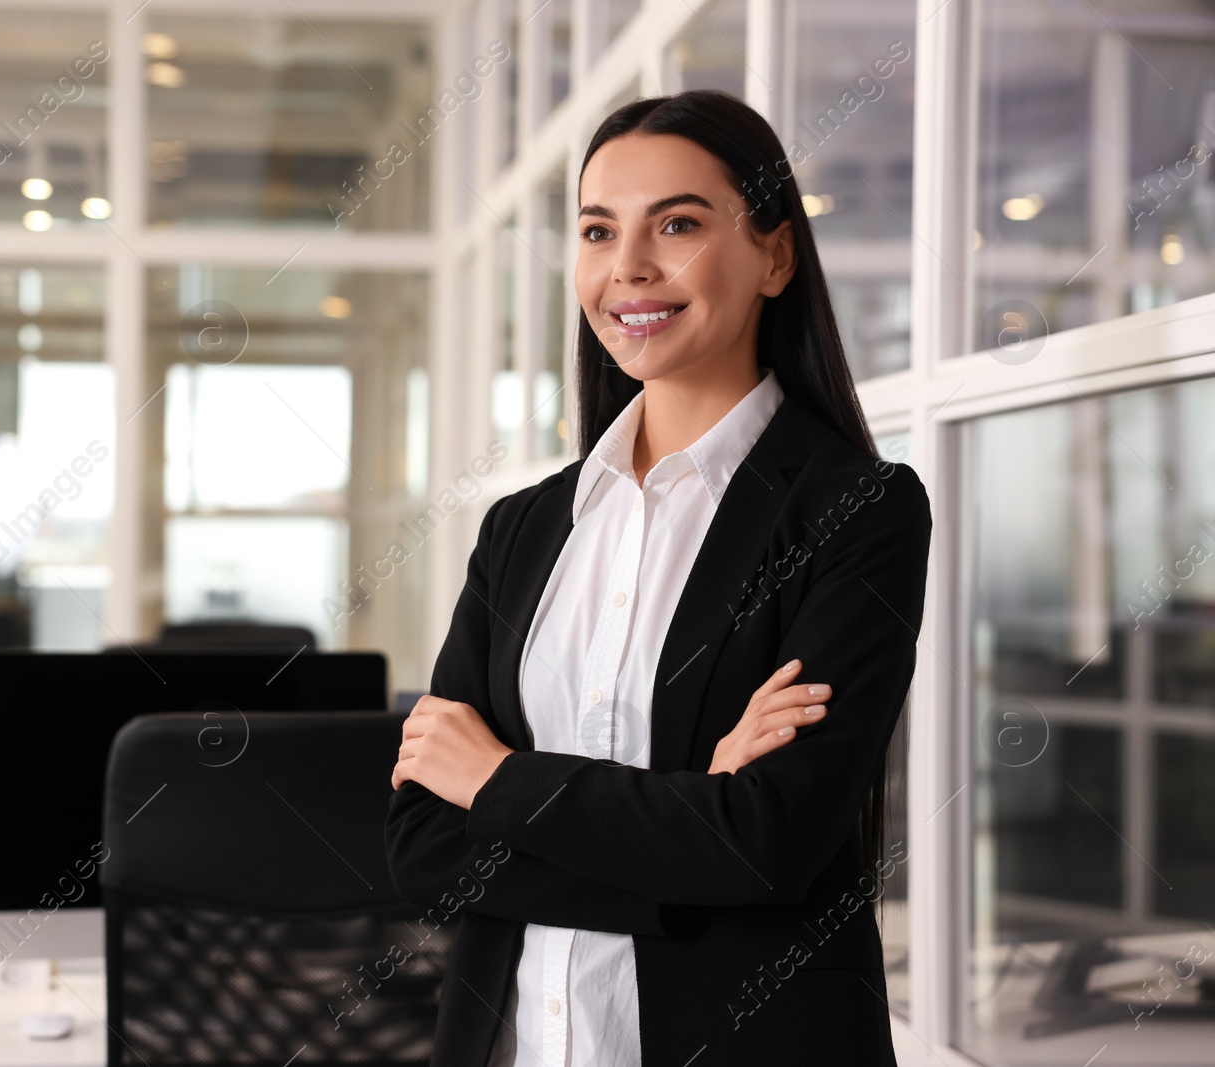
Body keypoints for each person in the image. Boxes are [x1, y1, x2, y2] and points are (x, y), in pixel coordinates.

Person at [386, 89, 931, 1066]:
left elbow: (768, 839)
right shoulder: (522, 526)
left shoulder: (859, 507)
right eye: (597, 231)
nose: (627, 267)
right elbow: (424, 841)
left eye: (676, 222)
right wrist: (685, 823)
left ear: (773, 254)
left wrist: (497, 777)